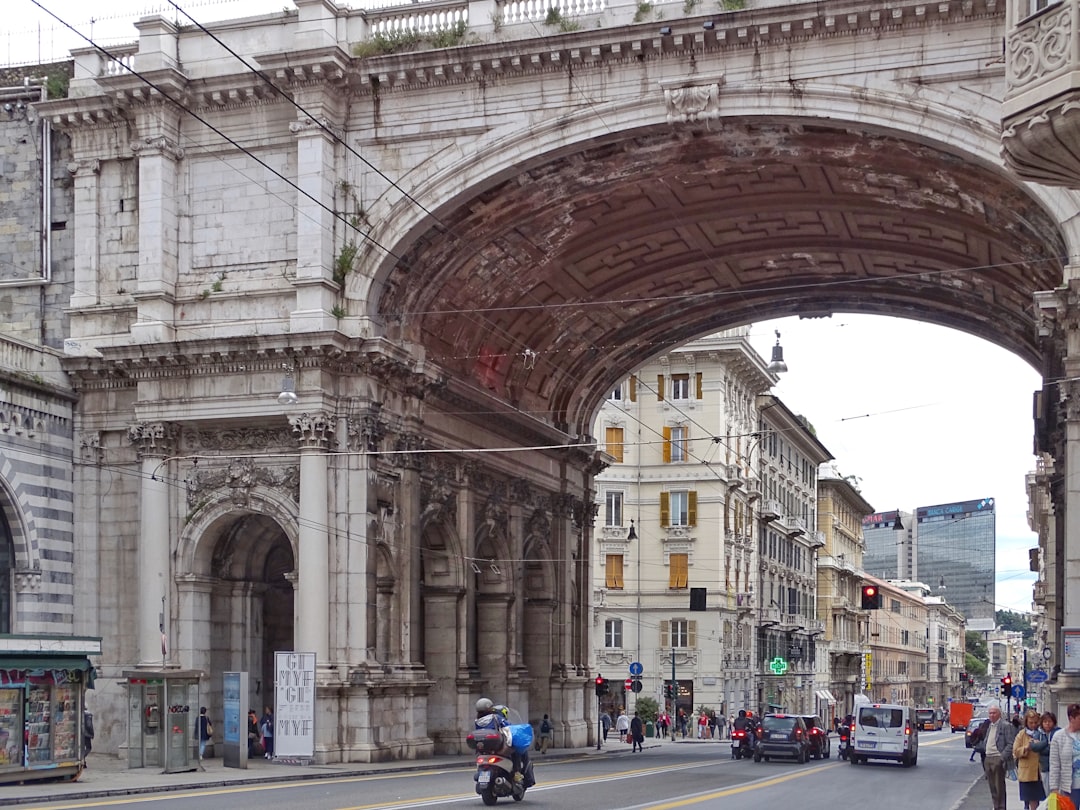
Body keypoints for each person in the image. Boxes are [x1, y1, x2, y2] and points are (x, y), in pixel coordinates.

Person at [976, 703, 1018, 810]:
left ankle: (1001, 807)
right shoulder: (990, 726)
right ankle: (996, 807)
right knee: (992, 788)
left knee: (999, 788)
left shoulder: (1005, 725)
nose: (991, 715)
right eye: (990, 713)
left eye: (994, 713)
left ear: (999, 714)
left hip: (997, 758)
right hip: (988, 758)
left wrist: (1002, 757)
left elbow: (1010, 743)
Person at [1013, 709, 1046, 810]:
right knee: (1031, 800)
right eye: (1030, 723)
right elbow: (1015, 751)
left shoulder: (1042, 734)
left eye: (1035, 722)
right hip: (1027, 773)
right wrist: (1026, 748)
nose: (1033, 725)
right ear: (1026, 722)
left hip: (1040, 771)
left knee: (1041, 800)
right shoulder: (1022, 734)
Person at [1048, 702, 1080, 808]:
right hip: (1069, 787)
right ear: (1071, 718)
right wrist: (1054, 788)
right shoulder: (1059, 737)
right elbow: (1054, 764)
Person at [1033, 711, 1059, 793]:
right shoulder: (1038, 733)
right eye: (1045, 722)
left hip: (1056, 768)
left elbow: (1054, 749)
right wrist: (1046, 743)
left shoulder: (1058, 733)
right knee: (1047, 792)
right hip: (1044, 767)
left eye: (1050, 722)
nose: (1047, 724)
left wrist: (1041, 745)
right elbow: (1034, 747)